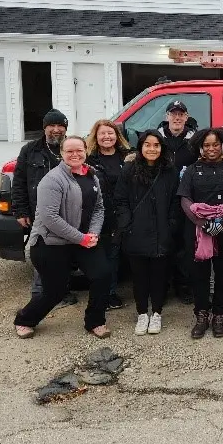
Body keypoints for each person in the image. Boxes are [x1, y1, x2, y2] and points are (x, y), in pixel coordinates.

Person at [13, 136, 110, 339]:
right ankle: (25, 319)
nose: (75, 155)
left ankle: (95, 321)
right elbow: (50, 218)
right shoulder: (52, 180)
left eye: (79, 150)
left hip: (82, 239)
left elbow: (99, 207)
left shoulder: (91, 175)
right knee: (55, 291)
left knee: (102, 275)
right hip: (51, 242)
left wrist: (92, 233)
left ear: (86, 151)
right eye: (70, 151)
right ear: (62, 154)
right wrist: (81, 238)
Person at [178, 128, 223, 339]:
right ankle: (201, 314)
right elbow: (185, 200)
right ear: (201, 147)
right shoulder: (191, 171)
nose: (211, 149)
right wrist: (203, 223)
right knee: (199, 274)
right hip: (198, 231)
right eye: (207, 145)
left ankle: (218, 314)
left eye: (215, 144)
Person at [114, 130, 180, 336]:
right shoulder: (129, 170)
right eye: (147, 145)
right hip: (136, 231)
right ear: (141, 147)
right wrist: (127, 223)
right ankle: (142, 313)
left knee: (159, 276)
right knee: (139, 276)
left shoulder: (170, 171)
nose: (152, 149)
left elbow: (176, 201)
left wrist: (171, 224)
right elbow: (120, 199)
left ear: (162, 148)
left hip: (162, 231)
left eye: (156, 145)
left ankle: (157, 313)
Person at [12, 108, 78, 307]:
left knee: (64, 254)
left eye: (60, 126)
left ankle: (62, 292)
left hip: (68, 212)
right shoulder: (30, 150)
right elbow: (19, 182)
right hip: (39, 212)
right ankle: (40, 293)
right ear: (45, 128)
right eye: (52, 126)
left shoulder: (72, 148)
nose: (56, 130)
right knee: (42, 254)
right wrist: (21, 210)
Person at [86, 119, 132, 310]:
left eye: (110, 133)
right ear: (95, 136)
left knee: (113, 256)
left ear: (117, 136)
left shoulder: (127, 157)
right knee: (98, 258)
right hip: (97, 215)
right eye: (102, 133)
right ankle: (100, 295)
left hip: (120, 214)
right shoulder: (89, 159)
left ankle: (111, 294)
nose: (107, 137)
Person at [157, 100, 198, 304]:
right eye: (173, 114)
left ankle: (183, 286)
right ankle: (161, 287)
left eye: (181, 114)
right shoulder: (156, 139)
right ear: (167, 117)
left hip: (185, 201)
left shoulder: (194, 141)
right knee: (163, 244)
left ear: (186, 117)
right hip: (161, 200)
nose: (177, 117)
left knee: (185, 246)